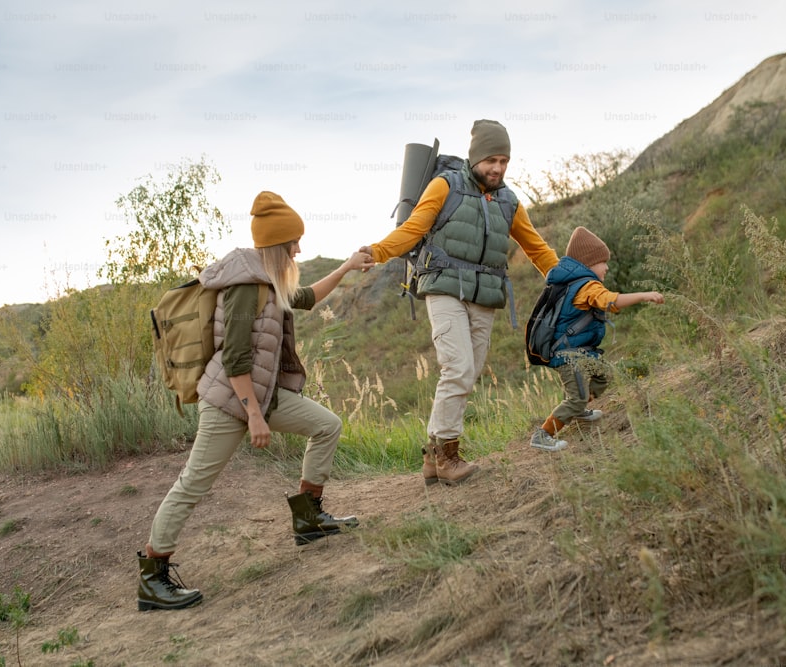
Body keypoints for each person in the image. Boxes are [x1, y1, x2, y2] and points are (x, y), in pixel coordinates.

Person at [137, 191, 375, 612]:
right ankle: (153, 578)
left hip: (261, 396)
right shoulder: (246, 285)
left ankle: (309, 519)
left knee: (327, 425)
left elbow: (307, 298)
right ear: (277, 245)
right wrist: (253, 416)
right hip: (232, 400)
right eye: (294, 242)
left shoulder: (271, 279)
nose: (299, 249)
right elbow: (234, 358)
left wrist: (348, 266)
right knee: (194, 484)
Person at [360, 119, 560, 486]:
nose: (497, 168)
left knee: (467, 375)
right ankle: (448, 457)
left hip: (485, 297)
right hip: (445, 288)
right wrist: (377, 251)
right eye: (491, 160)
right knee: (457, 368)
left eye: (504, 160)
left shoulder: (509, 201)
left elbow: (536, 247)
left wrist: (567, 278)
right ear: (475, 159)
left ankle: (433, 457)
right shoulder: (445, 185)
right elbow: (413, 228)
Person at [530, 226, 664, 452]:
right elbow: (609, 301)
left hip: (580, 351)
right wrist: (644, 295)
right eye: (603, 261)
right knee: (576, 397)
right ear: (589, 263)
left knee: (604, 375)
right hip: (567, 355)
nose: (607, 266)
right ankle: (543, 434)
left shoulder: (579, 283)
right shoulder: (586, 286)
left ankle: (579, 408)